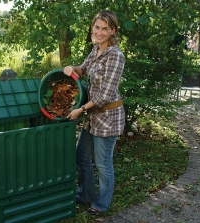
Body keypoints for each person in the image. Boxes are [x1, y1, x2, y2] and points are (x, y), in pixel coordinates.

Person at [63, 9, 125, 215]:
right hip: (93, 116)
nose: (99, 32)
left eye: (104, 28)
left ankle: (101, 203)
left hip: (108, 117)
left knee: (103, 163)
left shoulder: (115, 56)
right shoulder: (96, 50)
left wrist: (80, 109)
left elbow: (105, 96)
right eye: (97, 27)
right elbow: (83, 69)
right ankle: (85, 194)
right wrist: (71, 68)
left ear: (112, 30)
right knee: (81, 155)